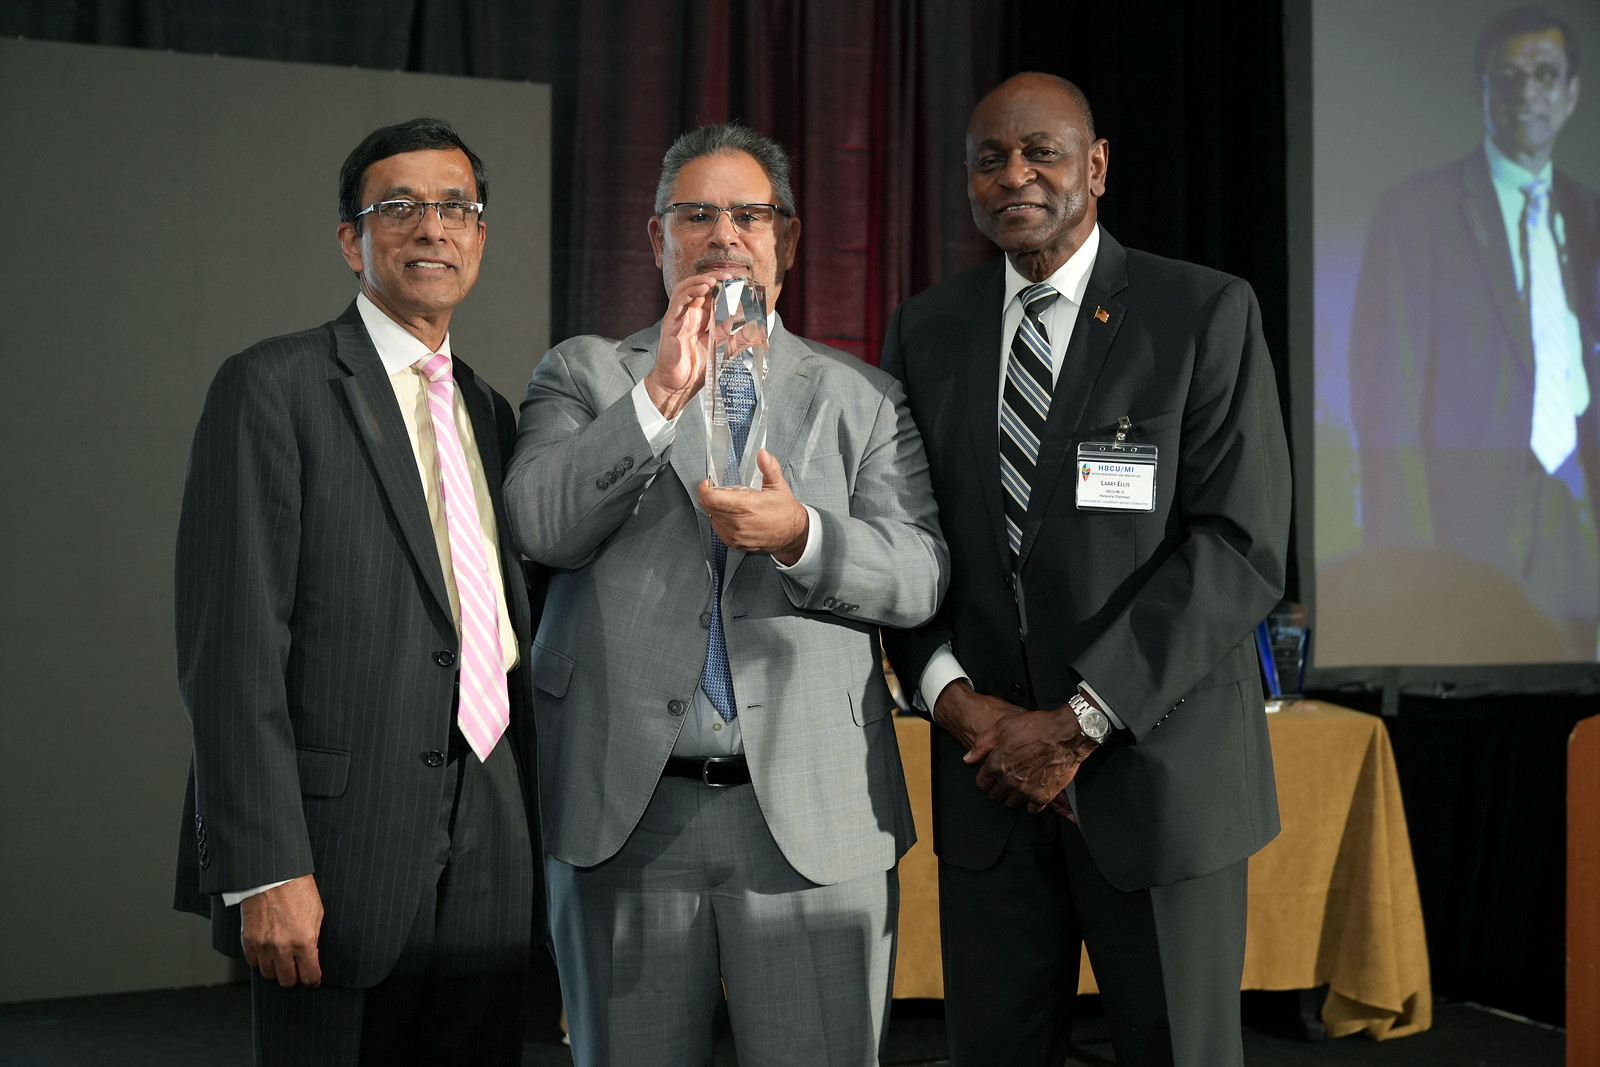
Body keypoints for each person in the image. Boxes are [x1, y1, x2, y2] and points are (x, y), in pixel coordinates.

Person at [504, 122, 947, 1067]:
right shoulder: (583, 373)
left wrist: (803, 535)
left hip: (813, 818)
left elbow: (919, 574)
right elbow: (541, 524)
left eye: (749, 214)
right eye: (696, 214)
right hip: (626, 815)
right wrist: (661, 395)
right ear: (656, 238)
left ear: (787, 240)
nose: (723, 234)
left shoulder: (862, 395)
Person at [880, 73, 1292, 1065]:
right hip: (988, 784)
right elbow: (901, 538)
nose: (1013, 175)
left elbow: (1239, 545)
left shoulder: (1200, 311)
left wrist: (1078, 721)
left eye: (1042, 152)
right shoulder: (926, 330)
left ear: (1096, 167)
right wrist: (957, 704)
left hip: (1157, 784)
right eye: (989, 159)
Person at [173, 117, 538, 1065]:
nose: (433, 227)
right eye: (400, 206)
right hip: (335, 843)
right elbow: (231, 651)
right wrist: (264, 867)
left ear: (480, 236)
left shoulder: (493, 412)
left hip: (492, 823)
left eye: (456, 206)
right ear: (351, 239)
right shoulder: (273, 386)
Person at [1348, 5, 1600, 658]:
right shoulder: (1417, 211)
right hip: (1465, 539)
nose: (1526, 92)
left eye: (1545, 75)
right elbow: (1387, 399)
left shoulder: (1590, 215)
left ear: (1572, 93)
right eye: (1508, 76)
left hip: (1579, 532)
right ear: (1479, 92)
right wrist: (1406, 561)